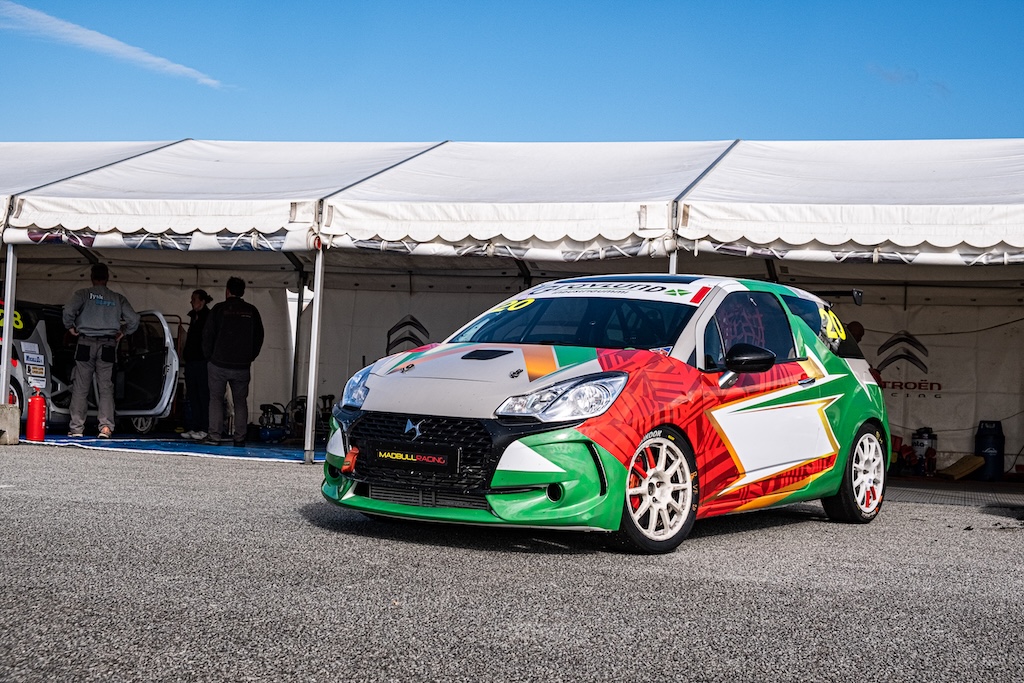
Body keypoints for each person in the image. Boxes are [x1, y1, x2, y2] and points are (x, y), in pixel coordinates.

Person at [62, 263, 140, 438]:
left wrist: (70, 327)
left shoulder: (83, 294)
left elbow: (68, 311)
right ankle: (105, 427)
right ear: (107, 278)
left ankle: (76, 428)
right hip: (107, 345)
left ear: (91, 277)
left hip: (85, 343)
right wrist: (123, 332)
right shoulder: (117, 298)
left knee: (81, 387)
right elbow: (134, 320)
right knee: (105, 387)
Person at [201, 277, 264, 447]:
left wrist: (210, 357)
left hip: (218, 364)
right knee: (240, 402)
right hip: (242, 366)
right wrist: (249, 357)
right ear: (242, 292)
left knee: (215, 399)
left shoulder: (218, 309)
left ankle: (214, 436)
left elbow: (207, 335)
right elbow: (259, 337)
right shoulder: (252, 311)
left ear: (227, 291)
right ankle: (240, 437)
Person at [180, 289, 213, 440]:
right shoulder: (194, 316)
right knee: (192, 395)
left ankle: (204, 427)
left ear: (202, 301)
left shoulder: (209, 317)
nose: (191, 302)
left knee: (203, 395)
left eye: (194, 299)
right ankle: (194, 426)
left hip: (202, 361)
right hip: (191, 360)